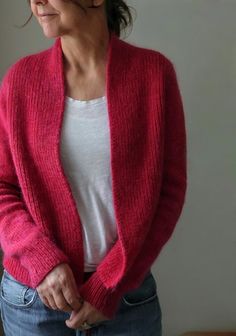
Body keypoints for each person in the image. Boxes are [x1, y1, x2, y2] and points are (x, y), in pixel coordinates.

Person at [0, 0, 187, 335]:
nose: (36, 2)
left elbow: (168, 194)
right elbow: (2, 188)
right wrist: (43, 261)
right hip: (35, 300)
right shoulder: (20, 82)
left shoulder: (154, 76)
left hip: (128, 300)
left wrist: (109, 283)